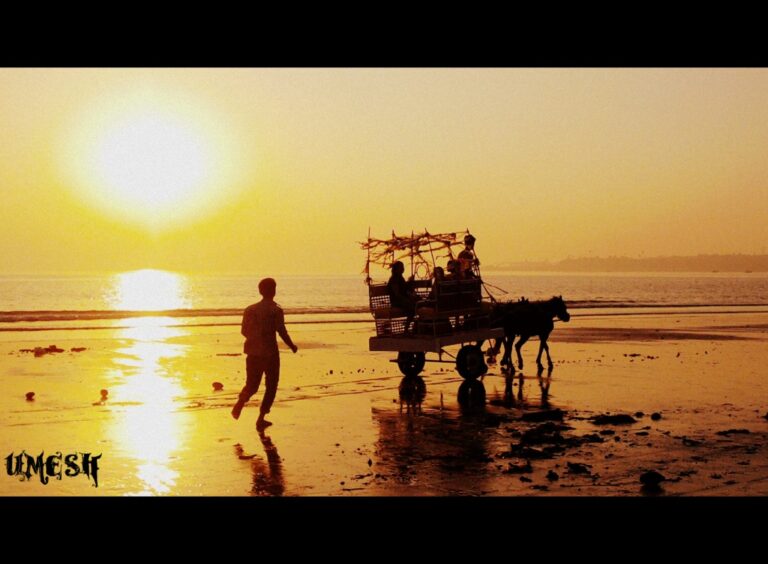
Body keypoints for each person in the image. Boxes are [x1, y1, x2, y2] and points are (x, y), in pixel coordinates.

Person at [231, 277, 298, 430]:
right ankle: (261, 417)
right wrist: (291, 345)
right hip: (270, 353)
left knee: (252, 385)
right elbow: (281, 331)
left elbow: (244, 331)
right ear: (273, 291)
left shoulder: (250, 309)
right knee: (271, 385)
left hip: (253, 352)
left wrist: (254, 338)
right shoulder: (276, 310)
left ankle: (241, 402)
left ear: (260, 291)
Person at [387, 260, 418, 332]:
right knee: (412, 308)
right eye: (401, 267)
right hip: (396, 301)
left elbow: (404, 288)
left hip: (402, 299)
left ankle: (415, 326)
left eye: (403, 267)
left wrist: (410, 281)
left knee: (417, 303)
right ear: (396, 269)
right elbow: (397, 294)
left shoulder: (400, 277)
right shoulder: (394, 279)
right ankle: (406, 328)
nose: (403, 269)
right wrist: (407, 300)